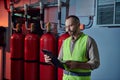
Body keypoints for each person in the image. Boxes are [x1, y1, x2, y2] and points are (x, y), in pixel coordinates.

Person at [44, 15, 100, 80]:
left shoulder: (88, 40)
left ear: (78, 25)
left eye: (70, 26)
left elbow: (96, 63)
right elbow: (59, 61)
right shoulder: (65, 42)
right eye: (66, 27)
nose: (68, 29)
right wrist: (51, 61)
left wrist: (78, 65)